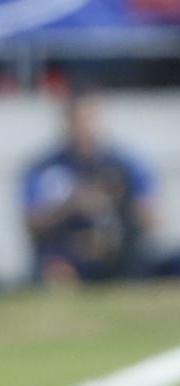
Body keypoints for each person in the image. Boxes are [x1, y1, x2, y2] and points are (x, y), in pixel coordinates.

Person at [23, 87, 162, 285]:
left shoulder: (125, 165)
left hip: (118, 256)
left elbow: (152, 218)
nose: (83, 128)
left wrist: (118, 201)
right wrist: (72, 205)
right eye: (77, 121)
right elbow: (30, 224)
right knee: (55, 276)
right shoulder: (46, 168)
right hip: (67, 256)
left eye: (88, 120)